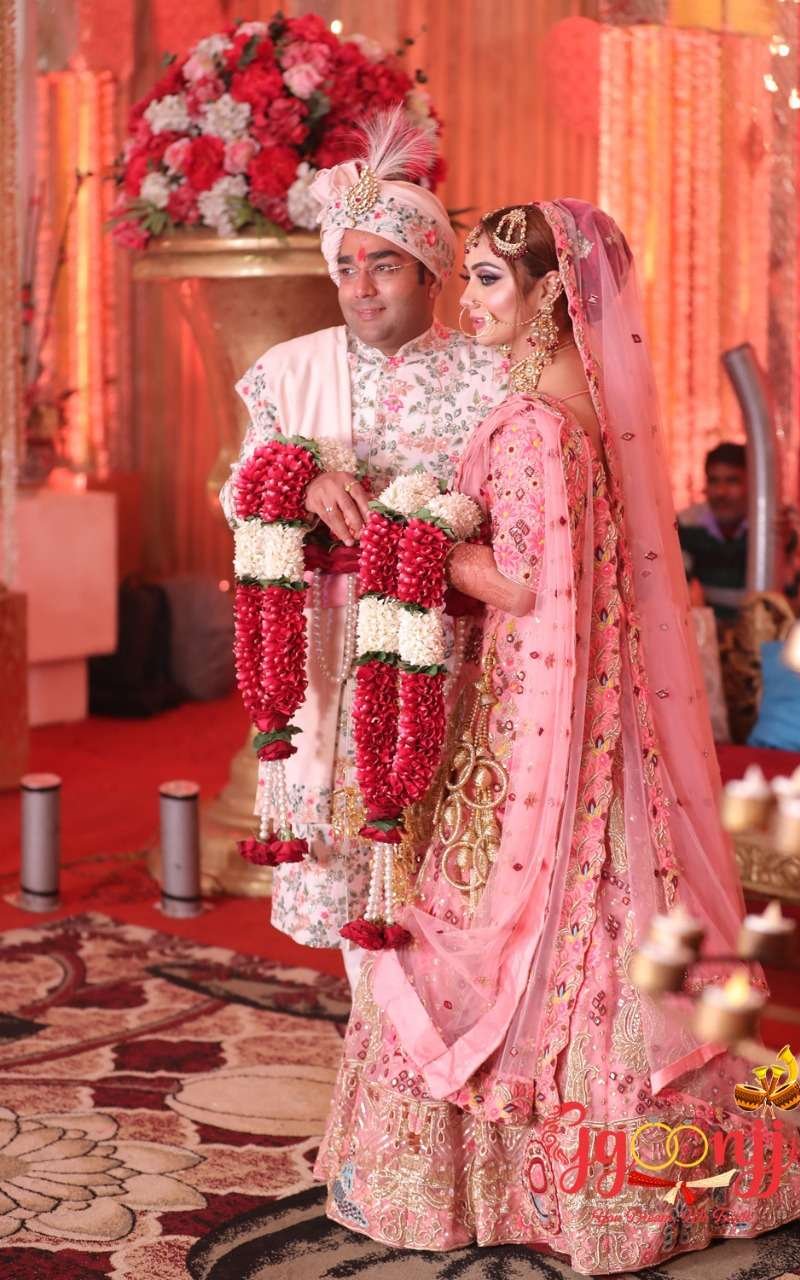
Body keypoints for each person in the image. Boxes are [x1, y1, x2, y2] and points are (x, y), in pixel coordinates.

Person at [315, 199, 800, 1270]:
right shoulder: (580, 411)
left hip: (538, 711)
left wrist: (415, 542)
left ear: (551, 291)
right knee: (620, 904)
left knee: (526, 917)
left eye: (489, 279)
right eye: (472, 276)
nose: (470, 298)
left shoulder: (536, 425)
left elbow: (528, 585)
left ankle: (554, 1180)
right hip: (591, 706)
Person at [220, 110, 504, 991]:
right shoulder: (290, 370)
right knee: (345, 874)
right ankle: (372, 1054)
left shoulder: (491, 376)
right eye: (346, 267)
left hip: (450, 651)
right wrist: (299, 480)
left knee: (446, 867)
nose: (361, 288)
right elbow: (235, 495)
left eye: (383, 264)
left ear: (430, 271)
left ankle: (439, 1049)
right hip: (321, 651)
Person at [678, 443, 800, 624]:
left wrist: (787, 542)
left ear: (753, 484)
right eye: (713, 481)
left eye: (732, 481)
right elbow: (678, 590)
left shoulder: (774, 525)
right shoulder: (687, 524)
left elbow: (792, 595)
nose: (721, 492)